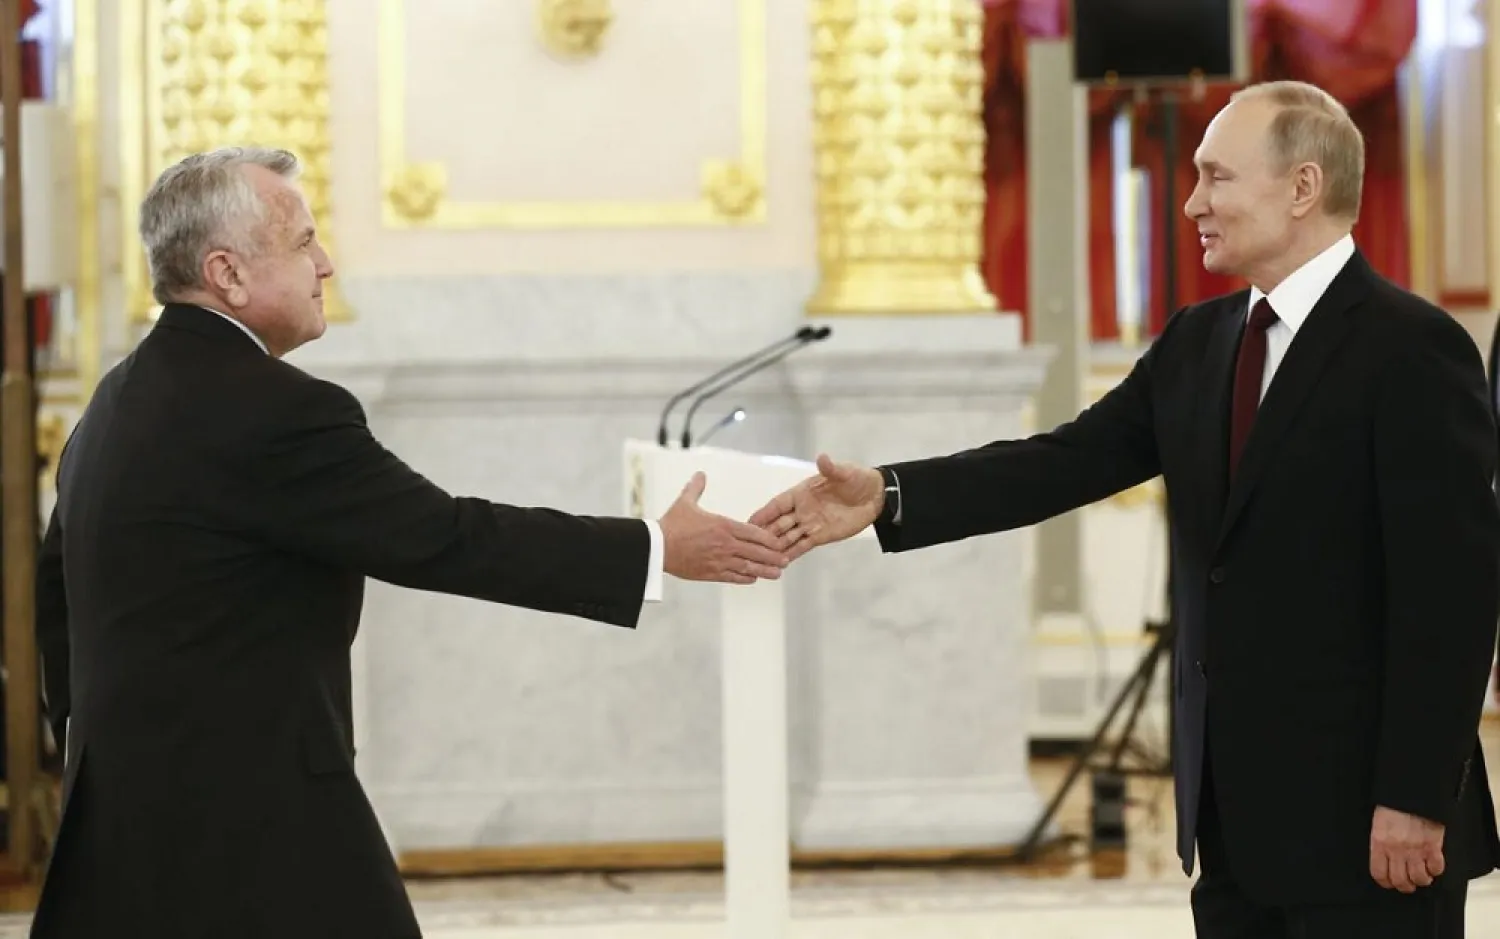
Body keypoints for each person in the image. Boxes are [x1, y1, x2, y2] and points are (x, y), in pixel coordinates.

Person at [752, 81, 1500, 938]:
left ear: (1302, 187)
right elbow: (1059, 462)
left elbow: (1451, 597)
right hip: (1234, 823)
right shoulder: (1199, 340)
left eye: (1217, 178)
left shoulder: (1414, 347)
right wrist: (887, 494)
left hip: (1372, 825)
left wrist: (1412, 794)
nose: (1192, 204)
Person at [30, 147, 788, 939]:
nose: (325, 264)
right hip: (257, 822)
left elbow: (57, 592)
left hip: (124, 821)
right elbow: (447, 537)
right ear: (227, 273)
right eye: (303, 242)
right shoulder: (277, 412)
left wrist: (98, 749)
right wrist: (655, 548)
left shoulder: (117, 397)